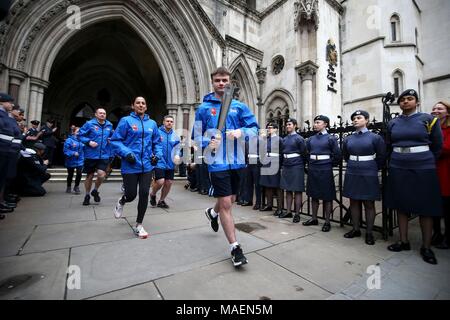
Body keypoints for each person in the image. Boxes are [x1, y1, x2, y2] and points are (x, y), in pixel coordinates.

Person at [192, 67, 259, 267]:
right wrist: (206, 143)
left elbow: (254, 128)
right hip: (217, 162)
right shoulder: (204, 108)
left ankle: (212, 213)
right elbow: (196, 136)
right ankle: (235, 248)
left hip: (237, 160)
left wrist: (241, 132)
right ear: (212, 82)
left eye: (224, 80)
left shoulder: (239, 106)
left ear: (229, 82)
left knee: (230, 199)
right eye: (218, 80)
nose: (221, 83)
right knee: (227, 204)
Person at [385, 89, 443, 265]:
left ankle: (426, 247)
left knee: (425, 208)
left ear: (417, 102)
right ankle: (403, 241)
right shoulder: (393, 122)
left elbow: (437, 146)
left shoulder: (429, 119)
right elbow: (388, 144)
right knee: (401, 205)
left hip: (423, 166)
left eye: (410, 99)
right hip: (398, 165)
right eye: (402, 99)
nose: (405, 102)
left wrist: (425, 161)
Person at [112, 96, 162, 239]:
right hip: (130, 165)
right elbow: (115, 141)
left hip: (146, 165)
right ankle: (122, 200)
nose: (141, 105)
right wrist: (126, 153)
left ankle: (139, 225)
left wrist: (156, 155)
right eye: (138, 103)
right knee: (132, 194)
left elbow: (157, 143)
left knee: (144, 193)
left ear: (146, 107)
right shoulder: (126, 121)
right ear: (133, 106)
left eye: (143, 103)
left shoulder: (152, 124)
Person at [342, 110, 386, 245]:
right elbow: (345, 155)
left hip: (368, 171)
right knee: (353, 201)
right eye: (354, 118)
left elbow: (381, 156)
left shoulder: (375, 137)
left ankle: (369, 232)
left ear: (366, 120)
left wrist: (372, 168)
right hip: (352, 170)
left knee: (369, 203)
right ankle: (356, 229)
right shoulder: (348, 138)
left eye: (359, 118)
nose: (356, 120)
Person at [303, 115, 342, 232]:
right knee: (313, 195)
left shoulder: (331, 138)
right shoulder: (311, 139)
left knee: (327, 196)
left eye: (318, 122)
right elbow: (307, 153)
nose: (315, 124)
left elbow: (338, 155)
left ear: (325, 124)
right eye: (315, 122)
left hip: (325, 169)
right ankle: (314, 218)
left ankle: (327, 221)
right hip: (313, 168)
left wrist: (329, 164)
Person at [78, 108, 114, 206]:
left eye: (104, 113)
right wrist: (89, 142)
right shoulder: (89, 124)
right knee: (89, 176)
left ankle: (95, 190)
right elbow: (80, 135)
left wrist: (111, 139)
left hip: (104, 155)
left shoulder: (109, 125)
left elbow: (112, 136)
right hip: (91, 155)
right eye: (100, 113)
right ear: (96, 114)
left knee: (101, 175)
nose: (102, 115)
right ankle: (87, 195)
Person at [430, 101, 450, 249]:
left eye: (440, 108)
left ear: (447, 112)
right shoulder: (430, 129)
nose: (436, 111)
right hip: (431, 171)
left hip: (445, 171)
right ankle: (436, 233)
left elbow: (445, 149)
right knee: (434, 206)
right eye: (434, 108)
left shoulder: (448, 130)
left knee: (447, 206)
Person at [279, 118, 306, 223]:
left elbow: (304, 153)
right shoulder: (284, 139)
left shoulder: (299, 138)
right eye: (287, 124)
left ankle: (297, 214)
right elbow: (282, 153)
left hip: (296, 166)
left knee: (297, 190)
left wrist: (301, 164)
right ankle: (288, 211)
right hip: (286, 166)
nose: (288, 126)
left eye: (290, 124)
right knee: (288, 189)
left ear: (295, 125)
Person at [150, 115, 181, 209]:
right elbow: (150, 144)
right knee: (160, 181)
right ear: (163, 122)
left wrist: (177, 155)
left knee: (169, 183)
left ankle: (161, 200)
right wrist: (152, 155)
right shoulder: (157, 133)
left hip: (170, 163)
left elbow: (178, 148)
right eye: (167, 121)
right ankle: (153, 194)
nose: (169, 123)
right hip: (159, 161)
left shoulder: (175, 136)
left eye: (171, 121)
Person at [0, 92, 21, 214]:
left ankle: (2, 200)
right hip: (4, 150)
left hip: (8, 151)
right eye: (10, 102)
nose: (12, 105)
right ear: (2, 101)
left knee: (4, 178)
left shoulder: (5, 117)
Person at [259, 123, 284, 215]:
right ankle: (269, 205)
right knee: (267, 185)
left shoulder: (280, 140)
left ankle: (280, 208)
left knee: (277, 186)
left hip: (275, 162)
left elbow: (282, 152)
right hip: (266, 162)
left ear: (276, 129)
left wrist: (280, 165)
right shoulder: (266, 140)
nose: (268, 129)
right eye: (267, 128)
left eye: (270, 128)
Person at [63, 126, 84, 194]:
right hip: (71, 160)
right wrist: (73, 153)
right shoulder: (69, 140)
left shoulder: (82, 140)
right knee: (70, 174)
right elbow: (65, 150)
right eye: (78, 131)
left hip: (80, 160)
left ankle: (76, 187)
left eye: (80, 132)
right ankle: (68, 186)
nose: (79, 133)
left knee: (79, 174)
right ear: (74, 132)